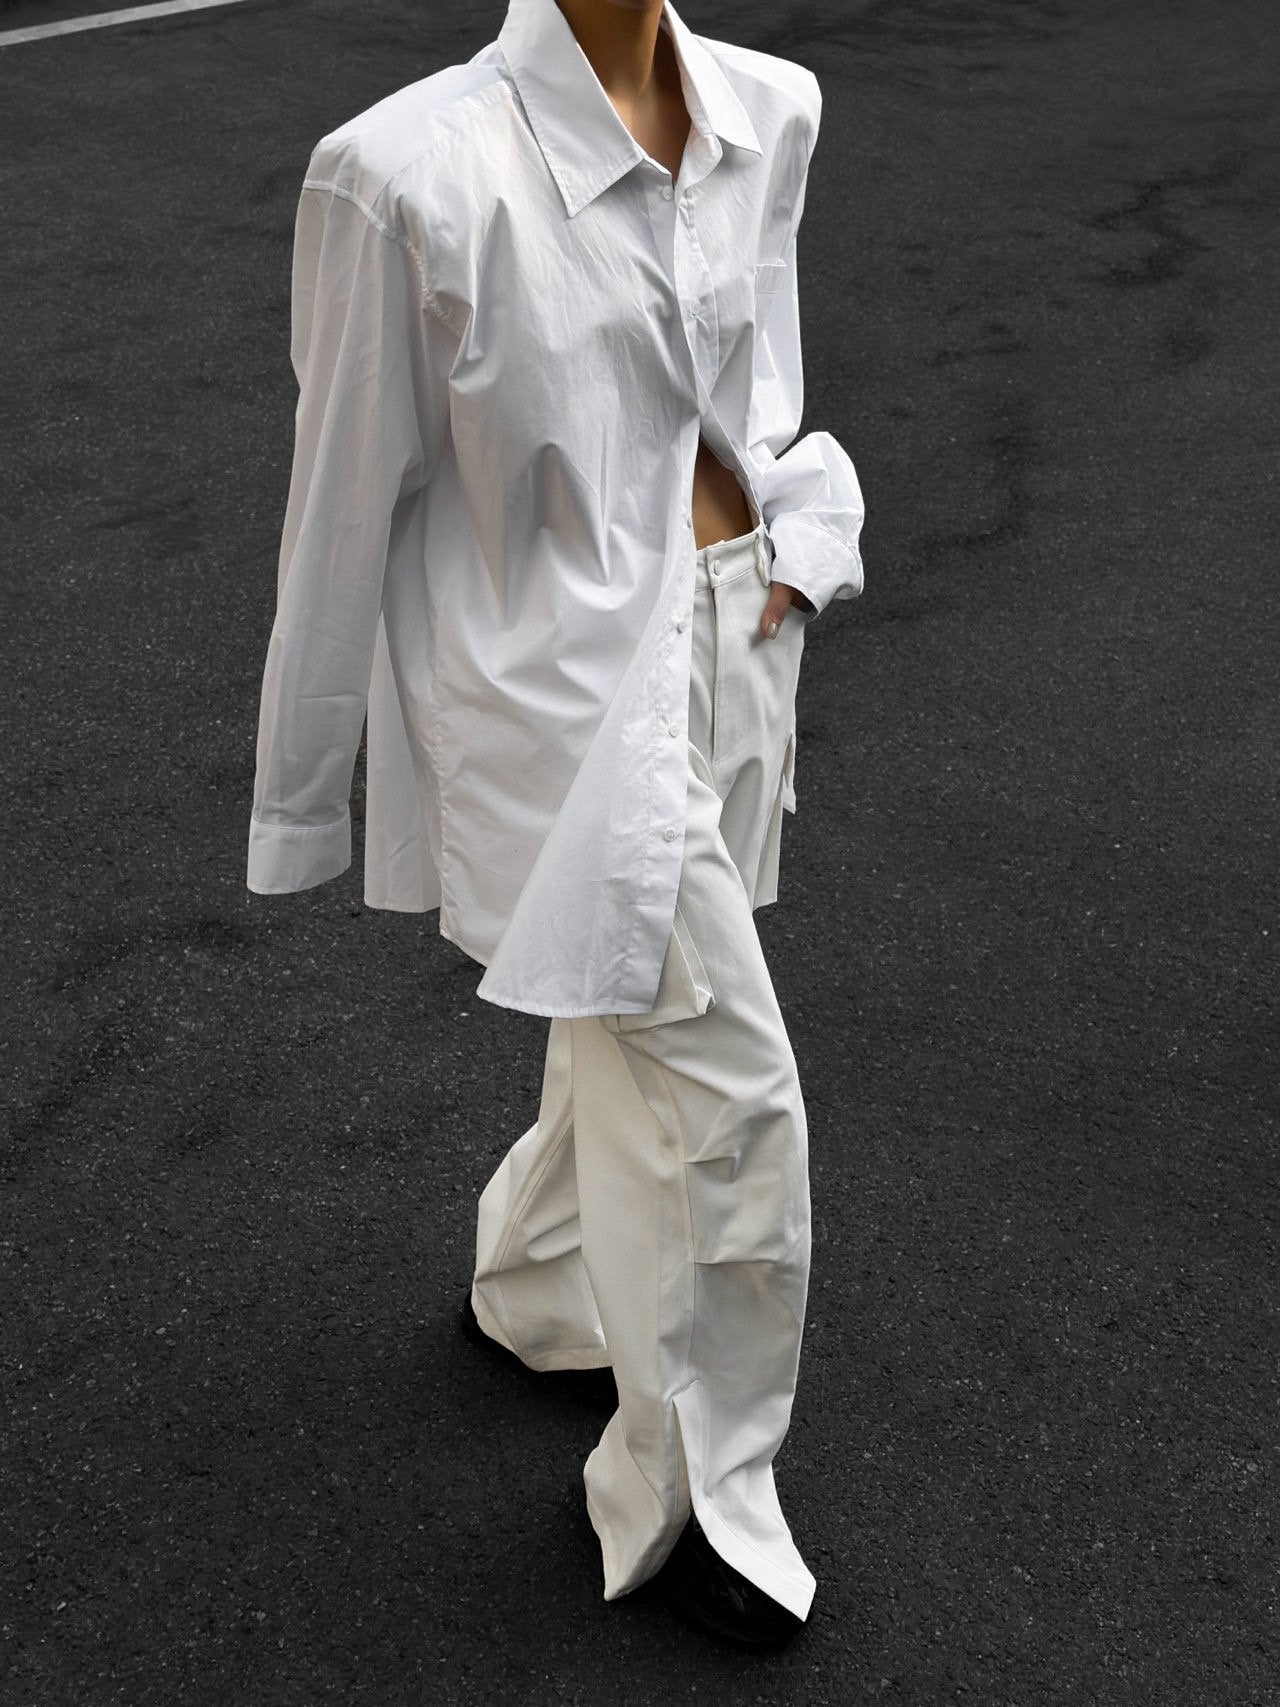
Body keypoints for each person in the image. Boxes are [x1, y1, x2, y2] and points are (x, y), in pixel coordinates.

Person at [246, 0, 864, 1653]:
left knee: (623, 1031)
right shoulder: (401, 174)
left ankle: (534, 1283)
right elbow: (338, 505)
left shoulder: (769, 111)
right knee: (734, 1096)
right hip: (570, 711)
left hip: (738, 636)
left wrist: (794, 554)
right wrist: (303, 799)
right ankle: (698, 1500)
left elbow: (753, 386)